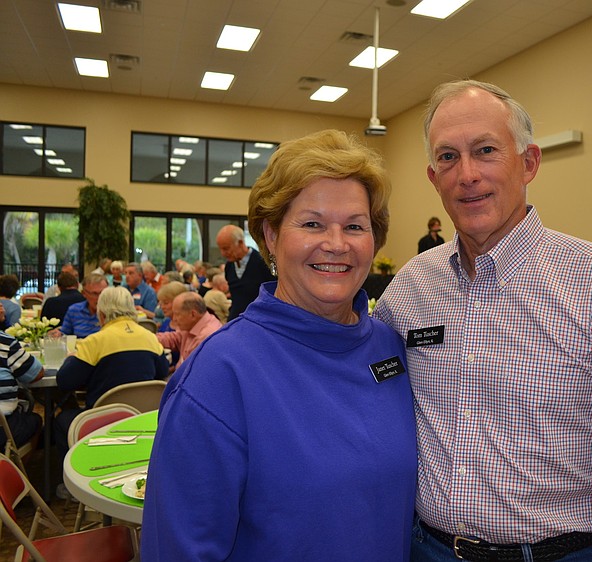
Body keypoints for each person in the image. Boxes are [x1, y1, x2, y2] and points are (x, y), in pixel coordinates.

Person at [374, 80, 592, 561]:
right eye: (448, 158)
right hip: (428, 550)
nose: (467, 174)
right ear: (433, 177)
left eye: (485, 151)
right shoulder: (411, 289)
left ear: (529, 163)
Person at [142, 130, 416, 561]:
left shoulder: (391, 348)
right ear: (270, 236)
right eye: (312, 223)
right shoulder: (219, 375)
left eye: (355, 226)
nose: (336, 244)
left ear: (374, 240)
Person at [54, 287, 168, 478]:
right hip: (143, 418)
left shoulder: (95, 341)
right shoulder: (150, 338)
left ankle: (72, 479)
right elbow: (162, 372)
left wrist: (71, 358)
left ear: (102, 313)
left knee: (61, 420)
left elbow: (65, 381)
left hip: (103, 420)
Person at [216, 224, 275, 320]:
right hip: (236, 319)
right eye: (221, 249)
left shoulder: (263, 263)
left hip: (259, 320)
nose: (223, 254)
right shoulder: (229, 266)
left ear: (240, 243)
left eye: (226, 248)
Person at [0, 330, 44, 452]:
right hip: (3, 429)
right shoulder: (4, 342)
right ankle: (15, 468)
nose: (3, 309)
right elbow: (36, 374)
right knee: (35, 420)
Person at [155, 292, 222, 369]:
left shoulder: (205, 338)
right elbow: (174, 338)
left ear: (193, 314)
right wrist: (147, 338)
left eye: (177, 314)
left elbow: (191, 374)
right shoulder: (192, 324)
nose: (174, 319)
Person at [59, 273, 108, 338]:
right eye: (94, 293)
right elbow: (63, 336)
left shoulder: (113, 313)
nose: (100, 297)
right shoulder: (74, 310)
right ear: (84, 293)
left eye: (103, 293)